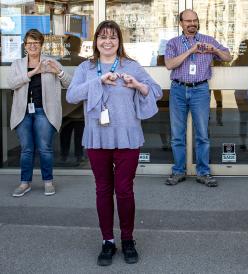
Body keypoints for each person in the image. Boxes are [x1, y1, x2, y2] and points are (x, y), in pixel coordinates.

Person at [66, 20, 162, 266]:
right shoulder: (86, 68)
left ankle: (128, 239)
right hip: (97, 137)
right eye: (102, 37)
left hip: (127, 137)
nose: (107, 41)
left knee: (124, 190)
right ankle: (107, 241)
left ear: (119, 42)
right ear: (95, 41)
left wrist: (136, 84)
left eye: (113, 37)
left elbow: (155, 91)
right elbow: (72, 95)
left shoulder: (131, 65)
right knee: (103, 189)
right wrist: (98, 81)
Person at [164, 9, 232, 187]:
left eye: (195, 20)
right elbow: (169, 64)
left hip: (200, 89)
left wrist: (215, 49)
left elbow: (228, 56)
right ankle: (179, 171)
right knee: (177, 134)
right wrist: (191, 50)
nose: (192, 23)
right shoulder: (173, 43)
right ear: (181, 23)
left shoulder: (208, 40)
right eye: (188, 21)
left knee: (202, 134)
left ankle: (203, 172)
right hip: (178, 89)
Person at [8, 29, 72, 197]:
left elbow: (69, 83)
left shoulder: (51, 62)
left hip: (44, 111)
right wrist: (33, 72)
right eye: (29, 43)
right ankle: (24, 183)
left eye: (36, 43)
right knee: (26, 149)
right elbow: (12, 83)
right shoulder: (17, 64)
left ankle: (48, 182)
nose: (32, 46)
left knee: (45, 148)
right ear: (25, 46)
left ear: (41, 45)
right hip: (23, 112)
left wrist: (58, 71)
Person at [59, 35, 87, 164]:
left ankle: (63, 155)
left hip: (64, 104)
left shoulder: (59, 61)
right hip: (79, 105)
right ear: (79, 47)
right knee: (79, 133)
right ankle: (78, 156)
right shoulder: (85, 62)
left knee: (65, 132)